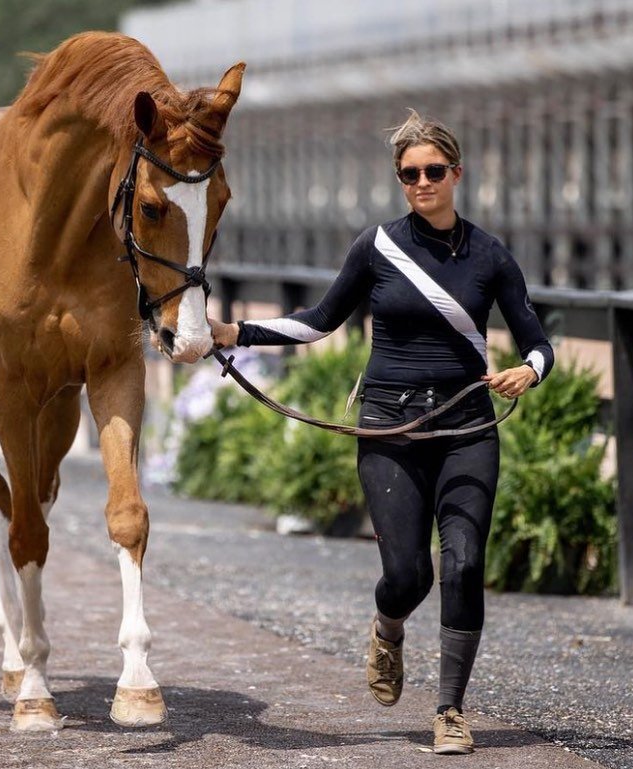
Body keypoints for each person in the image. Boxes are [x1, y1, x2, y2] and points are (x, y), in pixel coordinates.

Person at [209, 109, 554, 754]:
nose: (421, 183)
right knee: (407, 574)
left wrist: (528, 372)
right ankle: (388, 625)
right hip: (390, 426)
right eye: (408, 175)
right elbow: (318, 323)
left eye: (432, 172)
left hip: (468, 425)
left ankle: (450, 711)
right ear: (400, 181)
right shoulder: (378, 246)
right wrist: (233, 333)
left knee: (464, 562)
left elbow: (539, 342)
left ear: (456, 173)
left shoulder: (490, 255)